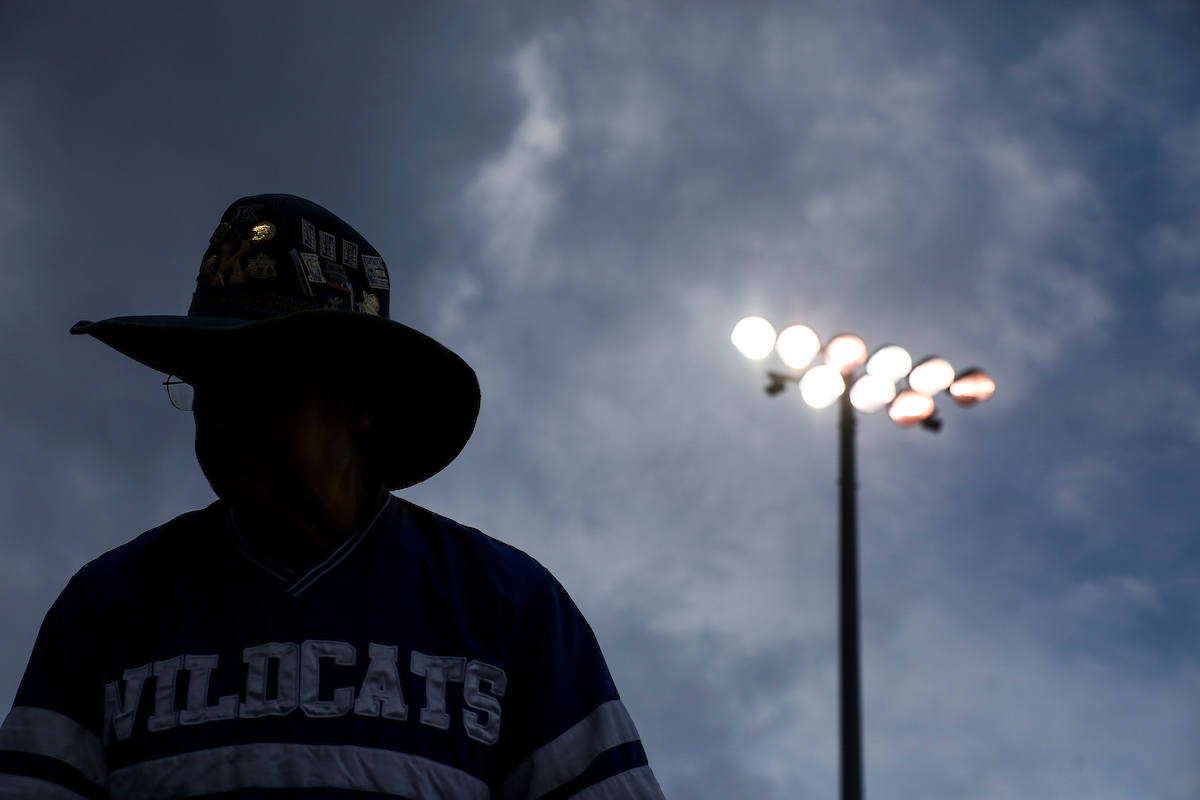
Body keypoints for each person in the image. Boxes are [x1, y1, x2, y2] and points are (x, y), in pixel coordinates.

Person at [0, 195, 665, 800]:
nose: (221, 415)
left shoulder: (506, 607)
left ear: (360, 400)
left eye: (257, 382)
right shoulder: (109, 607)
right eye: (205, 383)